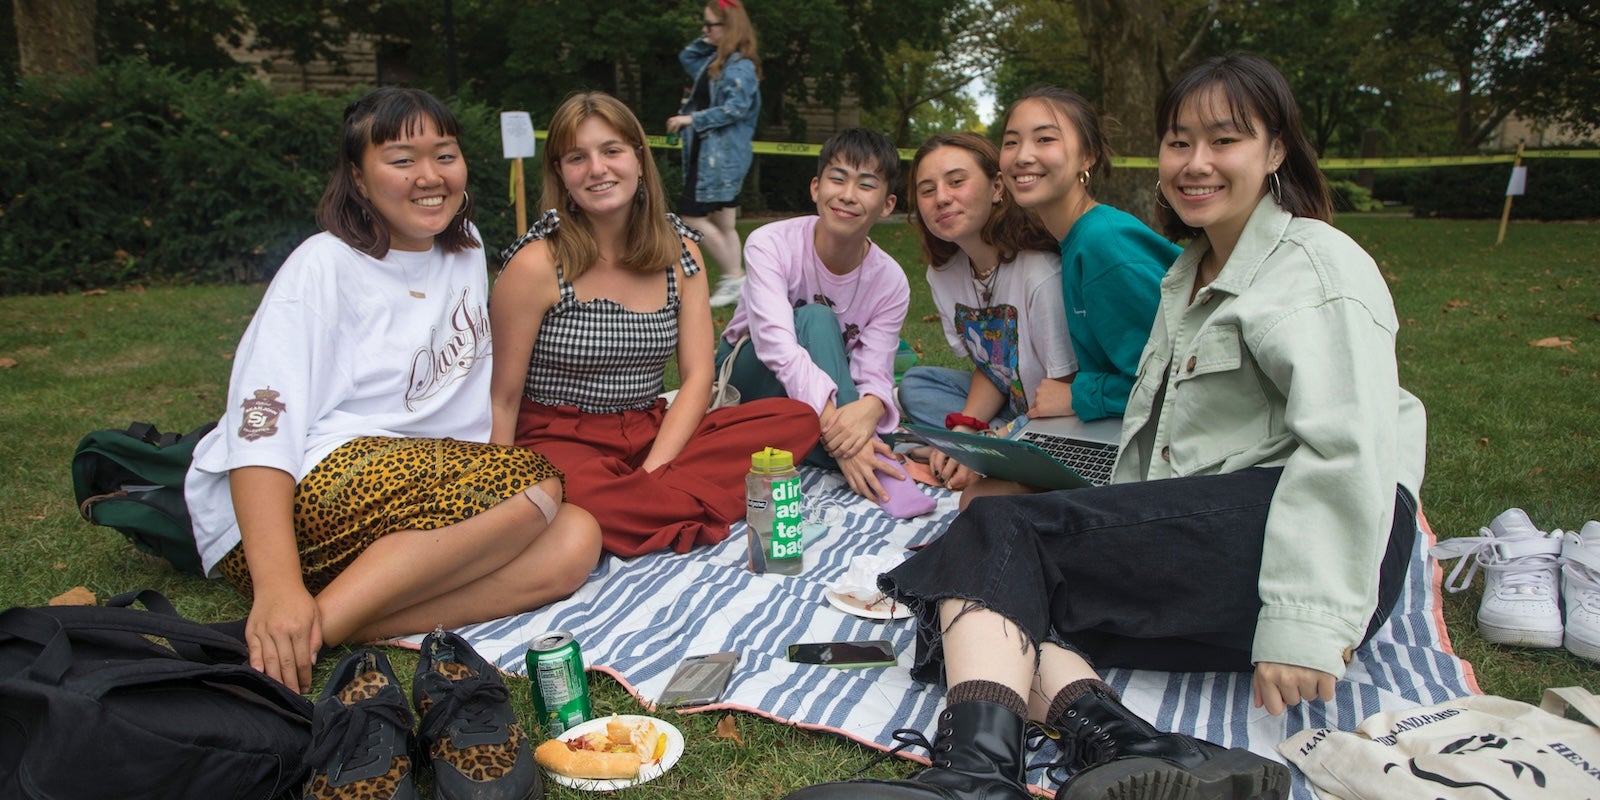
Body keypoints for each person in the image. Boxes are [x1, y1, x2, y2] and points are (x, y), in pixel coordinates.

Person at [783, 53, 1427, 800]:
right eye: (1179, 141)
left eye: (1225, 140)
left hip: (1314, 540)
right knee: (984, 596)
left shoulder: (1314, 263)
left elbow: (1351, 447)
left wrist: (1306, 623)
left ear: (1276, 150)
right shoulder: (1191, 272)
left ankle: (974, 779)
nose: (1196, 162)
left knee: (996, 537)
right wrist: (1106, 518)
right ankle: (1130, 742)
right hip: (1223, 539)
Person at [184, 87, 602, 696]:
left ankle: (322, 627)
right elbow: (260, 427)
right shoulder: (323, 266)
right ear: (357, 177)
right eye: (402, 159)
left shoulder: (464, 250)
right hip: (297, 500)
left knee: (575, 540)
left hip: (412, 507)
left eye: (445, 155)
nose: (428, 177)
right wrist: (277, 587)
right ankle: (288, 617)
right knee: (535, 483)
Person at [491, 91, 818, 558]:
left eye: (612, 151)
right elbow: (502, 397)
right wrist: (500, 488)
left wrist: (654, 469)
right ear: (561, 175)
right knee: (578, 492)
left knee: (793, 418)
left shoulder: (681, 255)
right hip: (562, 440)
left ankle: (641, 509)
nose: (597, 169)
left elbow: (699, 378)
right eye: (577, 158)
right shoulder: (536, 263)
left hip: (650, 431)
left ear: (639, 160)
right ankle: (677, 512)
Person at [716, 127, 911, 505]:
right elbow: (777, 346)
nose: (847, 195)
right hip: (750, 374)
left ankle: (824, 445)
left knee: (867, 407)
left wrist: (871, 407)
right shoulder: (769, 243)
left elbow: (874, 370)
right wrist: (846, 440)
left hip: (821, 385)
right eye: (837, 179)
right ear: (815, 188)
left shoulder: (891, 281)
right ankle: (865, 456)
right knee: (816, 319)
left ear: (887, 205)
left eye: (866, 185)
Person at [896, 132, 1075, 494]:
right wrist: (965, 429)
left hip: (1061, 416)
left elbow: (1067, 392)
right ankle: (977, 454)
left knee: (982, 493)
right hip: (1012, 404)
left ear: (997, 188)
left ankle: (986, 458)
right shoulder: (943, 275)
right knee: (915, 386)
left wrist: (988, 441)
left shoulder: (1041, 275)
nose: (941, 198)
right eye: (927, 190)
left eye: (956, 182)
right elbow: (994, 369)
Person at [1001, 85, 1179, 423]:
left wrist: (1077, 394)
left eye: (1045, 139)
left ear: (1088, 156)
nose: (1022, 156)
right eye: (1011, 142)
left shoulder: (1102, 244)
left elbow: (1174, 380)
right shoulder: (1074, 238)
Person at [667, 0, 763, 308]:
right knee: (724, 223)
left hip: (720, 157)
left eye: (710, 25)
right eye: (704, 25)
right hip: (711, 153)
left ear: (730, 27)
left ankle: (734, 277)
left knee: (690, 216)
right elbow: (686, 56)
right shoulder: (714, 63)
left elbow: (735, 109)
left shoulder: (740, 67)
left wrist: (691, 119)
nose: (704, 31)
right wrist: (710, 36)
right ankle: (739, 284)